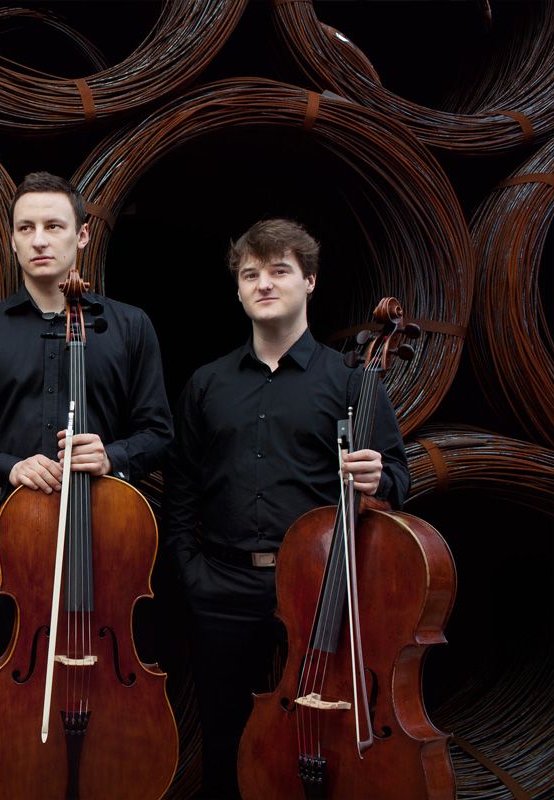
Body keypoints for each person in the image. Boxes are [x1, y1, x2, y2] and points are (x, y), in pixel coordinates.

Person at [163, 218, 409, 799]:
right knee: (224, 740)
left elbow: (399, 477)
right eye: (251, 274)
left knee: (323, 737)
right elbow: (181, 487)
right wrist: (190, 570)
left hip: (319, 591)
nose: (264, 284)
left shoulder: (351, 382)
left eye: (279, 271)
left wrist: (380, 477)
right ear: (238, 289)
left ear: (310, 281)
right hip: (221, 586)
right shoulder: (207, 383)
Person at [0, 171, 173, 739]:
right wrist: (8, 467)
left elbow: (160, 433)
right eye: (26, 228)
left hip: (104, 541)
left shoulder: (130, 327)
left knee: (101, 686)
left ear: (82, 236)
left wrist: (112, 456)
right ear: (12, 240)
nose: (40, 239)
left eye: (54, 226)